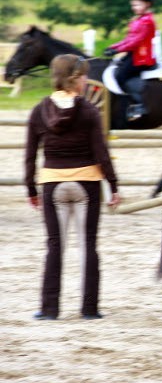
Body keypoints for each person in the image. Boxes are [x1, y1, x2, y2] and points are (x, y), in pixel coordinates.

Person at [25, 54, 121, 320]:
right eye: (83, 76)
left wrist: (31, 190)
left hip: (52, 183)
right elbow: (101, 152)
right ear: (74, 78)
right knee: (88, 244)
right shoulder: (89, 110)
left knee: (55, 245)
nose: (86, 81)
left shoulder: (39, 110)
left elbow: (30, 155)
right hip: (86, 183)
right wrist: (113, 185)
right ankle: (89, 308)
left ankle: (49, 309)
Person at [104, 0, 158, 121]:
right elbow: (128, 39)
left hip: (142, 57)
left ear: (148, 4)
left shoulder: (147, 21)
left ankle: (140, 105)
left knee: (121, 76)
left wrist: (117, 50)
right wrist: (113, 47)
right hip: (134, 54)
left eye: (138, 4)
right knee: (116, 67)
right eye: (133, 4)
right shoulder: (137, 20)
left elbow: (136, 42)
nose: (134, 7)